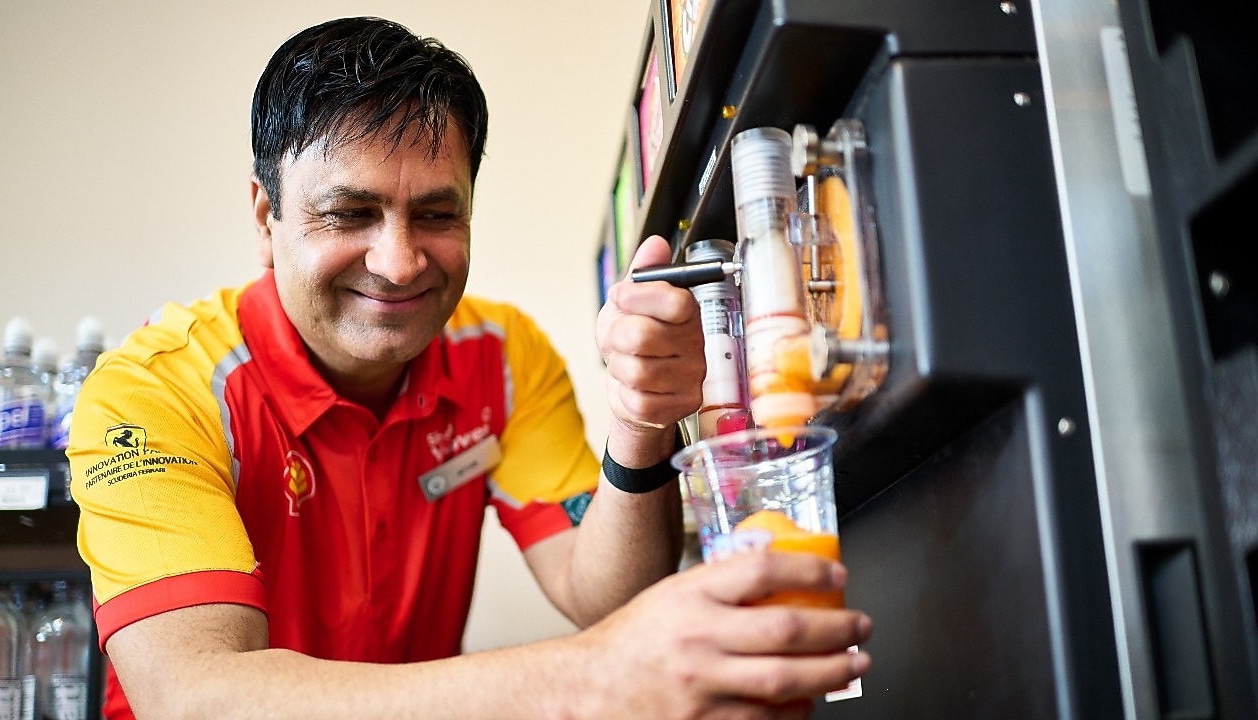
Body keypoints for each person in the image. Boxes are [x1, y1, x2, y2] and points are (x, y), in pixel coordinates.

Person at [67, 16, 872, 720]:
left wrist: (640, 418)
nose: (399, 260)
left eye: (436, 213)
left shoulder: (503, 355)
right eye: (350, 213)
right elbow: (199, 699)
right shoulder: (150, 392)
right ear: (265, 214)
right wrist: (591, 682)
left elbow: (605, 597)